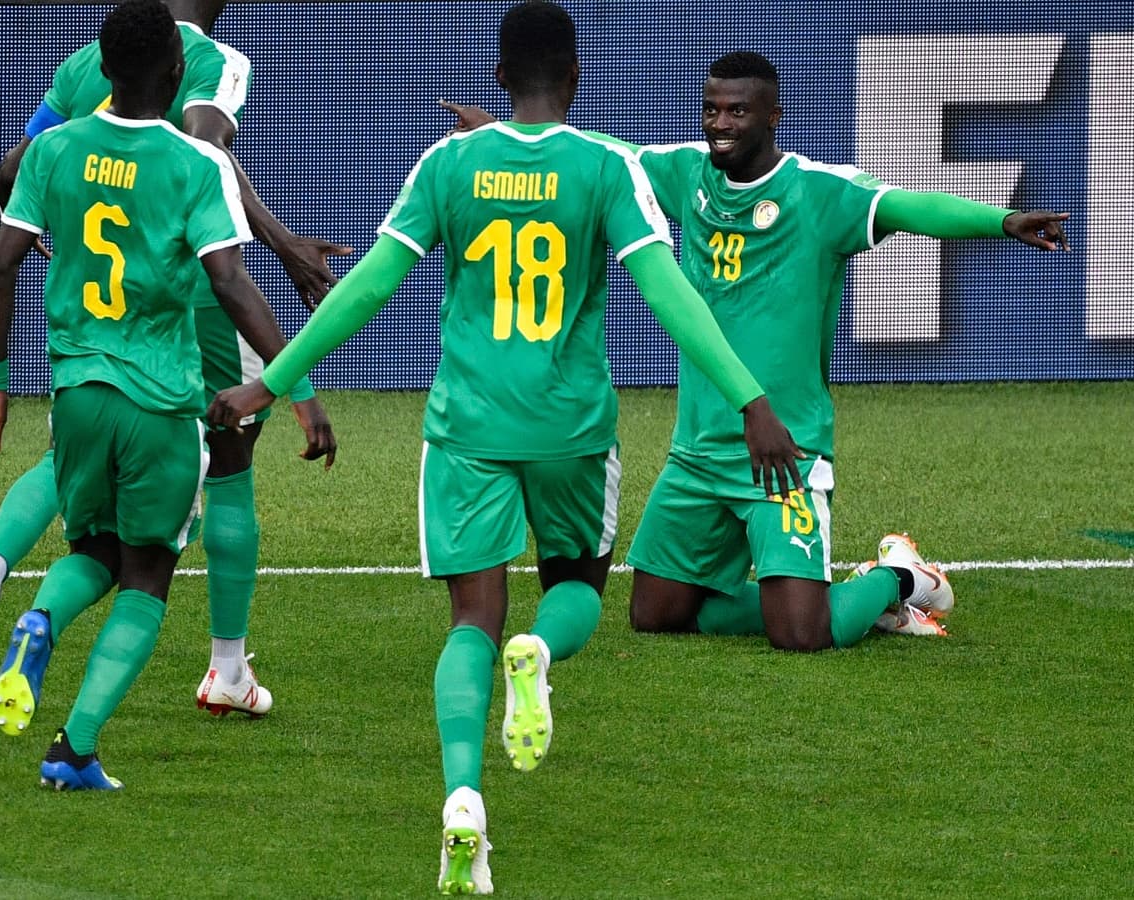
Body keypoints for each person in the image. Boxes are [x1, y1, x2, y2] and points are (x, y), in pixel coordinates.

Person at [209, 3, 799, 891]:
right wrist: (752, 399)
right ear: (575, 78)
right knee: (575, 591)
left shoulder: (450, 162)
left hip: (467, 431)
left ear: (497, 79)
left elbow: (368, 285)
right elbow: (671, 292)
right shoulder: (605, 167)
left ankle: (462, 802)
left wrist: (272, 378)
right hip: (569, 429)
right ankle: (544, 655)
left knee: (469, 624)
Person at [448, 51, 1069, 649]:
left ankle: (897, 578)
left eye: (737, 112)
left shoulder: (819, 192)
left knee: (800, 634)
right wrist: (509, 136)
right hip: (697, 452)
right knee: (656, 614)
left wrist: (1001, 219)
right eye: (711, 109)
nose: (720, 124)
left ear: (772, 116)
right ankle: (825, 597)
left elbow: (908, 207)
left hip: (784, 450)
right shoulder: (685, 173)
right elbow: (611, 154)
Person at [0, 0, 341, 722]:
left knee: (81, 505)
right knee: (227, 469)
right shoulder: (217, 64)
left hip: (85, 354)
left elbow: (10, 177)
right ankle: (224, 668)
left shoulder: (78, 77)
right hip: (180, 318)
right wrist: (297, 370)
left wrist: (47, 243)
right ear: (176, 68)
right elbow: (205, 161)